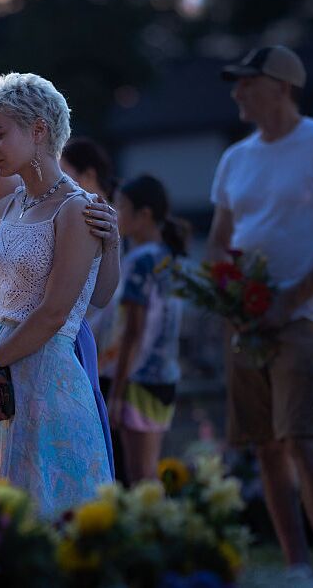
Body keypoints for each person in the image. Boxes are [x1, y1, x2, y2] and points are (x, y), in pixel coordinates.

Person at [0, 88, 119, 479]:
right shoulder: (4, 207)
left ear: (38, 130)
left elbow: (56, 312)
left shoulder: (77, 208)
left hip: (48, 373)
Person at [209, 45, 313, 575]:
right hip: (246, 319)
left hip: (306, 318)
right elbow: (219, 243)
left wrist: (289, 300)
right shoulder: (236, 157)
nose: (236, 92)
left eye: (248, 82)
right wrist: (230, 298)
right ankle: (297, 566)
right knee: (265, 445)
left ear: (281, 86)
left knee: (300, 437)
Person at [105, 175, 185, 483]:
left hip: (138, 380)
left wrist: (117, 392)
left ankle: (156, 532)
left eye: (121, 206)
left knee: (140, 477)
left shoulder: (139, 261)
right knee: (149, 472)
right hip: (166, 377)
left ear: (145, 214)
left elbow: (132, 332)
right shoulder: (170, 258)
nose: (115, 211)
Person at [60, 138, 128, 483]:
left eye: (65, 170)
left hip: (107, 345)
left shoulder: (103, 213)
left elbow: (105, 295)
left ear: (86, 174)